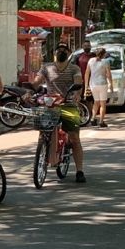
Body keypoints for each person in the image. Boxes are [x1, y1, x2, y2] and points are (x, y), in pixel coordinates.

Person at [43, 49, 87, 182]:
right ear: (54, 53)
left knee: (74, 138)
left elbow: (78, 83)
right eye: (59, 49)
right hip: (51, 105)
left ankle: (79, 171)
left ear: (68, 54)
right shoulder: (46, 68)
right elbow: (37, 81)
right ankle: (44, 157)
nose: (61, 52)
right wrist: (29, 90)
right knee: (44, 132)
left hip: (69, 105)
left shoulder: (74, 68)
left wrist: (77, 94)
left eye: (64, 49)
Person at [87, 48, 112, 128]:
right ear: (104, 54)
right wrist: (111, 84)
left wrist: (87, 85)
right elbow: (108, 74)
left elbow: (87, 73)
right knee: (103, 104)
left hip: (93, 84)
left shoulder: (91, 60)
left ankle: (93, 118)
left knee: (96, 102)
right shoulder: (105, 62)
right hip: (102, 84)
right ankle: (101, 121)